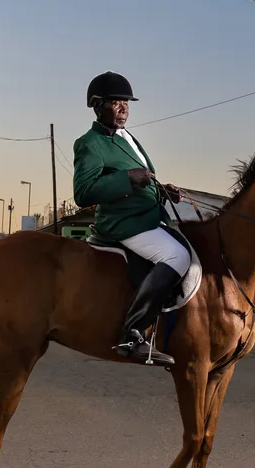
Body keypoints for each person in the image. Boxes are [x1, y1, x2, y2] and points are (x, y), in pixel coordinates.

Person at [72, 72, 185, 366]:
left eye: (126, 103)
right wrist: (126, 178)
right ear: (98, 107)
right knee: (177, 257)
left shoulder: (127, 138)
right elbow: (83, 192)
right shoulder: (89, 143)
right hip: (123, 224)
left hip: (147, 216)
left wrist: (163, 191)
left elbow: (143, 180)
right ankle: (132, 333)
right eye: (116, 103)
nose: (123, 109)